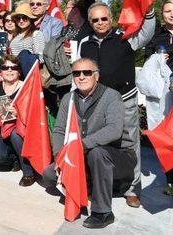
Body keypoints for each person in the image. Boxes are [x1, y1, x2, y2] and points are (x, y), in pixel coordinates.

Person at [42, 58, 136, 229]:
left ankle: (103, 212)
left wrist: (79, 146)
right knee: (48, 176)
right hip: (79, 154)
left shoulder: (111, 96)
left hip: (118, 156)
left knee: (97, 153)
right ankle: (89, 183)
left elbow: (114, 130)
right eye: (77, 73)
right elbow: (59, 130)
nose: (82, 77)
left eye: (87, 72)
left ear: (97, 76)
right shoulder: (68, 99)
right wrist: (60, 156)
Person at [77, 2, 155, 208]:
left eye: (104, 18)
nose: (100, 23)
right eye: (95, 20)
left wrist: (149, 11)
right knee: (100, 144)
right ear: (90, 22)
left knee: (129, 144)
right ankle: (100, 185)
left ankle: (131, 190)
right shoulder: (84, 43)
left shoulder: (126, 37)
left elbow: (147, 32)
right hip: (97, 102)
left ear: (110, 19)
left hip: (125, 98)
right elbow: (79, 71)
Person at [0, 55, 35, 186]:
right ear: (1, 71)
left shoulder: (26, 88)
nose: (9, 70)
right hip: (3, 128)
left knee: (15, 134)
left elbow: (35, 112)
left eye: (13, 67)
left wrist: (20, 113)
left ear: (19, 71)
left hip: (22, 130)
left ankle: (28, 173)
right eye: (5, 67)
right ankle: (15, 160)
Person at [143, 0, 173, 195]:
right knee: (166, 136)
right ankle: (170, 179)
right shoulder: (156, 36)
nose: (172, 14)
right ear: (162, 14)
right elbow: (147, 62)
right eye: (168, 11)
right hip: (164, 96)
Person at [9, 3, 45, 67]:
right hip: (15, 70)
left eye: (24, 17)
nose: (21, 21)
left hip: (29, 70)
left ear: (30, 19)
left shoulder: (36, 34)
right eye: (18, 18)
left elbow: (40, 58)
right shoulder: (15, 36)